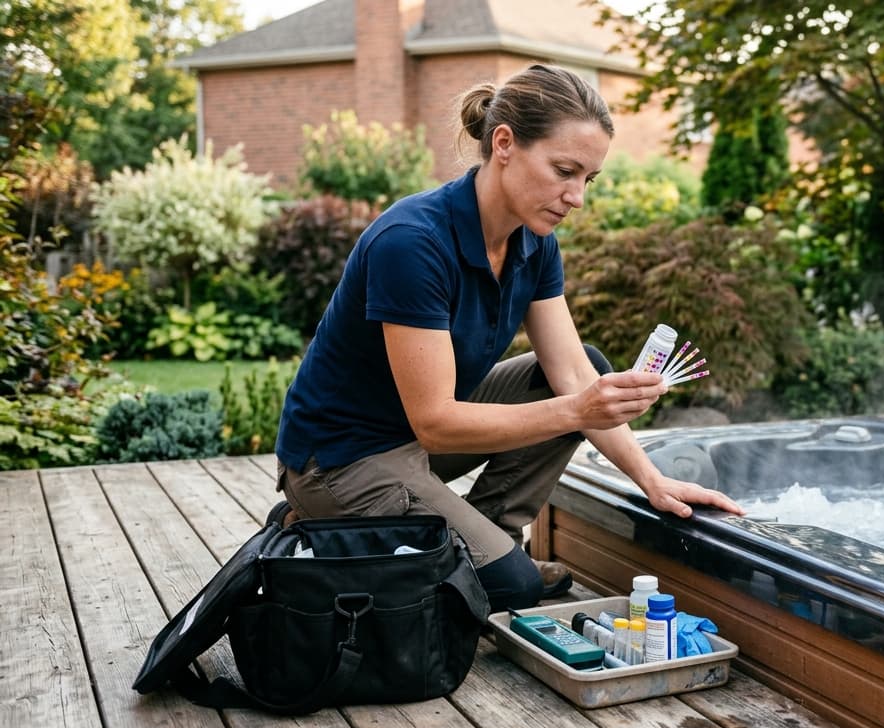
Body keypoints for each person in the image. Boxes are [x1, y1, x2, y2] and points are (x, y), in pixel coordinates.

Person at [275, 64, 742, 612]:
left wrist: (652, 480)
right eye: (564, 170)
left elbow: (573, 374)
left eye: (587, 179)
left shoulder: (533, 241)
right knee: (512, 588)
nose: (576, 197)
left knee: (581, 369)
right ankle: (318, 524)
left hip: (418, 445)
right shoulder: (412, 242)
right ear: (504, 144)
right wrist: (578, 409)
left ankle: (491, 538)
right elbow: (436, 422)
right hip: (343, 459)